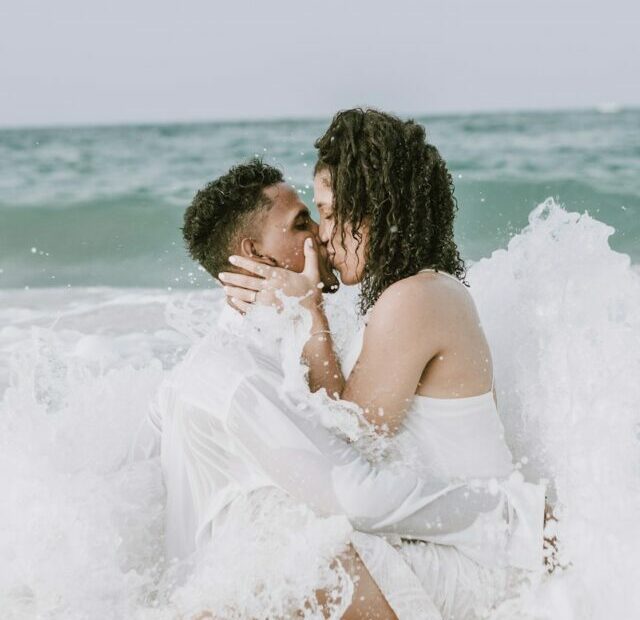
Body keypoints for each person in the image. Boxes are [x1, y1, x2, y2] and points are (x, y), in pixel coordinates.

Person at [134, 158, 543, 619]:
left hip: (218, 587)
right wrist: (507, 516)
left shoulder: (247, 355)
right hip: (225, 594)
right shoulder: (239, 375)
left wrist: (312, 317)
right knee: (296, 547)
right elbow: (353, 491)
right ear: (257, 254)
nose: (322, 235)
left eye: (321, 214)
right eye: (303, 223)